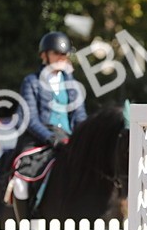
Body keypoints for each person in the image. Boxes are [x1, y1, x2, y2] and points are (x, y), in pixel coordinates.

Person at [9, 31, 88, 218]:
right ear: (44, 55)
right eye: (56, 54)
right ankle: (25, 223)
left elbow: (80, 117)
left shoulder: (74, 85)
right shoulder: (31, 82)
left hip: (67, 139)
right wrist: (50, 138)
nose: (61, 58)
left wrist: (81, 138)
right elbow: (29, 118)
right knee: (20, 183)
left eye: (64, 54)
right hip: (39, 140)